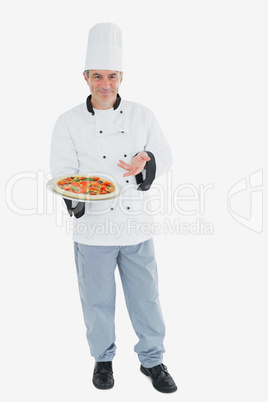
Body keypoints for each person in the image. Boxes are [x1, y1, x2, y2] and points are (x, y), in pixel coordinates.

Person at [50, 22, 177, 393]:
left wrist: (146, 159)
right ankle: (103, 360)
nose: (105, 83)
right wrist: (83, 195)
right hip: (92, 227)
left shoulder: (142, 115)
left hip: (137, 224)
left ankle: (152, 361)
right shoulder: (67, 122)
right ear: (85, 77)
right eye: (98, 76)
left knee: (147, 298)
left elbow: (165, 156)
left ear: (122, 78)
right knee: (97, 302)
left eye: (112, 76)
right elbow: (62, 173)